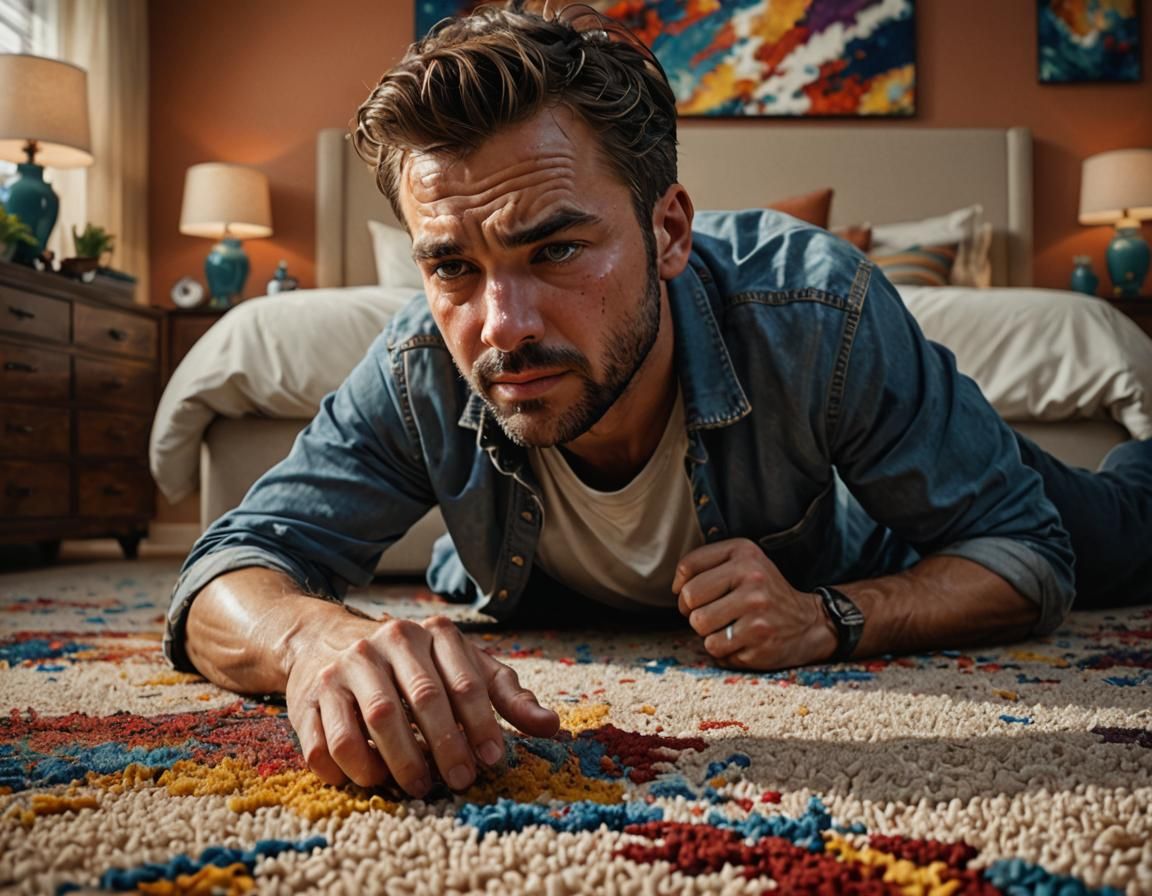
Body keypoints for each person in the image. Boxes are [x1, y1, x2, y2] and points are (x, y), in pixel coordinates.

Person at [165, 4, 1151, 801]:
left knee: (1113, 529)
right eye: (453, 265)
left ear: (669, 229)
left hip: (886, 530)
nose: (501, 324)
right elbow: (226, 567)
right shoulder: (423, 361)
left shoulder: (818, 308)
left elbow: (1024, 554)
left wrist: (831, 618)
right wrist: (311, 637)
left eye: (555, 248)